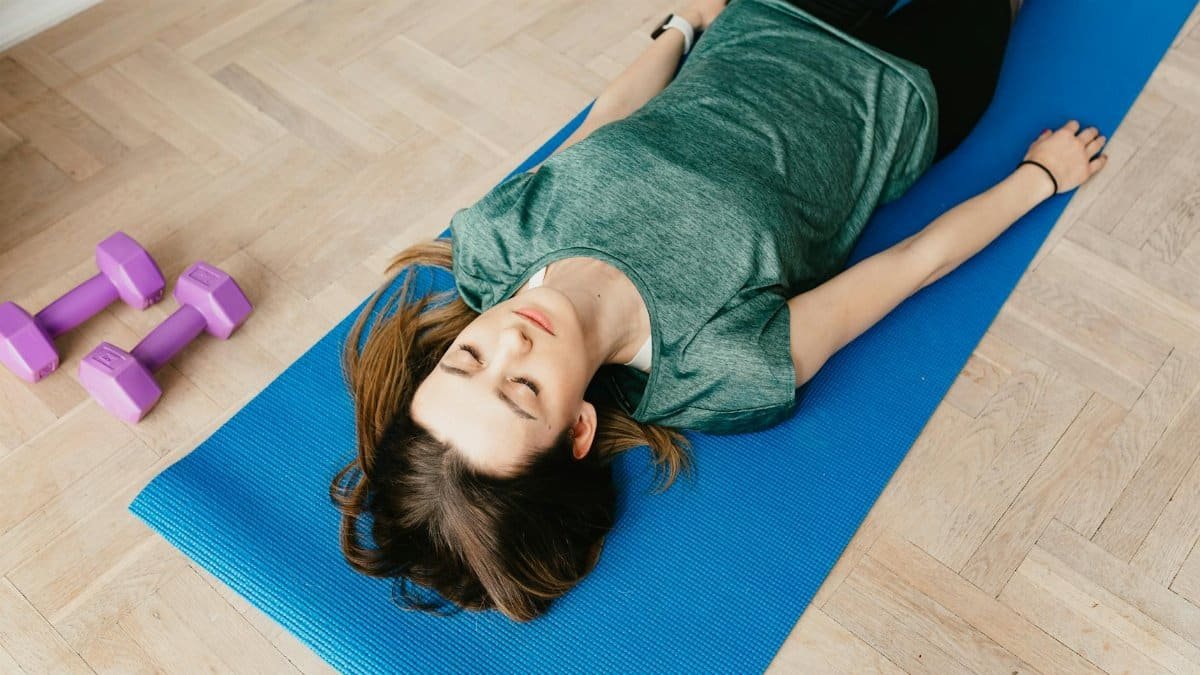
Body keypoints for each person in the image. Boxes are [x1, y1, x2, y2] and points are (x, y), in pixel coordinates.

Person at [330, 0, 1109, 621]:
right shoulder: (718, 366)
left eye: (466, 359)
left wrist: (682, 25)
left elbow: (604, 123)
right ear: (577, 428)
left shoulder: (496, 241)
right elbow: (907, 266)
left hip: (766, 18)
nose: (509, 343)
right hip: (902, 91)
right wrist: (1039, 178)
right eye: (524, 390)